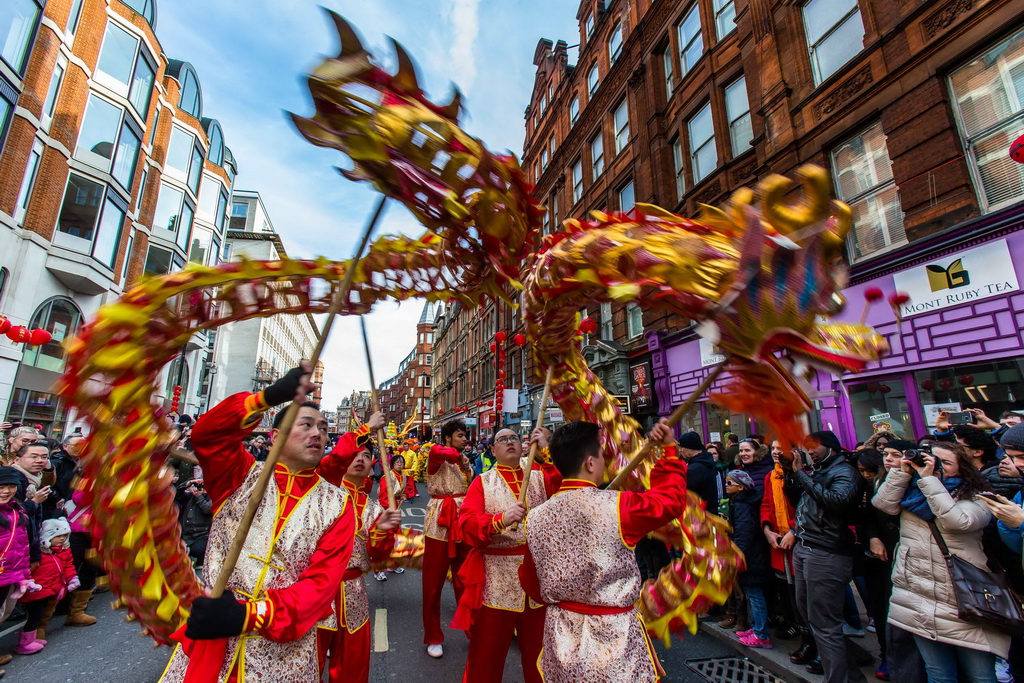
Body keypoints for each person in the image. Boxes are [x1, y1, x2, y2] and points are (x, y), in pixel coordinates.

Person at [159, 363, 356, 683]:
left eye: (322, 427)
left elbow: (320, 587)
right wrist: (267, 397)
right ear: (275, 436)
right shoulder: (239, 475)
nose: (317, 433)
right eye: (306, 424)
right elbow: (207, 434)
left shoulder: (338, 505)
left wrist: (249, 615)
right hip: (214, 646)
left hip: (284, 657)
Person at [518, 420, 688, 683]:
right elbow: (670, 501)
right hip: (612, 637)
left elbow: (530, 582)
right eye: (601, 456)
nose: (605, 462)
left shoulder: (536, 517)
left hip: (561, 633)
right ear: (589, 463)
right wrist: (668, 451)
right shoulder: (618, 506)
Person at [873, 440, 1007, 682]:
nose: (937, 466)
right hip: (920, 593)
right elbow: (882, 504)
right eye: (933, 460)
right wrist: (902, 473)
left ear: (963, 467)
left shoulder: (977, 496)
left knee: (981, 676)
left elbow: (959, 521)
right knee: (938, 674)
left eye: (945, 462)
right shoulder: (911, 492)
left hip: (963, 596)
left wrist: (929, 480)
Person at [454, 427, 561, 683]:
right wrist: (500, 520)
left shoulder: (539, 475)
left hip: (537, 578)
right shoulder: (483, 482)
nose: (509, 442)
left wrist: (546, 451)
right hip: (496, 579)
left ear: (524, 445)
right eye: (502, 440)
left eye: (514, 438)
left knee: (541, 655)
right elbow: (466, 524)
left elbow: (566, 491)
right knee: (487, 654)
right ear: (493, 450)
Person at [316, 435, 401, 683]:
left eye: (365, 456)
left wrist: (383, 530)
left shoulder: (374, 509)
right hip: (318, 589)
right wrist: (367, 428)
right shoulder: (323, 491)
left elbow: (379, 555)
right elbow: (330, 463)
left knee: (351, 664)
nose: (360, 459)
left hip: (354, 591)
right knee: (308, 660)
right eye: (355, 454)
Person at [784, 431, 864, 682]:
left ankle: (838, 678)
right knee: (809, 615)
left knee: (825, 622)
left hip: (826, 550)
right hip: (805, 547)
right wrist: (792, 473)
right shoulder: (817, 471)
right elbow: (798, 500)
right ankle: (851, 676)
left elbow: (837, 502)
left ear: (831, 447)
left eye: (814, 447)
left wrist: (802, 475)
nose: (810, 452)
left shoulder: (845, 472)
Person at [422, 418, 473, 658]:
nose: (465, 440)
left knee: (466, 580)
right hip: (439, 524)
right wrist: (458, 456)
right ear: (448, 438)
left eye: (465, 436)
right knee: (432, 585)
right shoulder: (436, 454)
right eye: (460, 435)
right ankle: (433, 636)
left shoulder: (467, 462)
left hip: (462, 522)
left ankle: (473, 630)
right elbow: (441, 452)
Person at [760, 441, 803, 645]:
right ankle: (792, 623)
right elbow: (767, 503)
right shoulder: (771, 476)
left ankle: (806, 633)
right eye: (773, 449)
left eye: (780, 448)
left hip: (798, 540)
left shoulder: (802, 475)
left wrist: (793, 530)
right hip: (778, 541)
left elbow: (807, 507)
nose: (776, 452)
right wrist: (768, 530)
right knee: (784, 589)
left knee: (801, 592)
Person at [726, 469, 773, 649]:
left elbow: (744, 532)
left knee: (754, 594)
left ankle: (761, 634)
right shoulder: (742, 502)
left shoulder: (742, 505)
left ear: (740, 486)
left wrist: (736, 554)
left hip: (751, 556)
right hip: (752, 554)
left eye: (730, 483)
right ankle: (756, 629)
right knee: (751, 593)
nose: (726, 485)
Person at [18, 518, 78, 655]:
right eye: (58, 536)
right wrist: (29, 581)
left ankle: (31, 639)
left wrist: (72, 578)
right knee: (35, 615)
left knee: (40, 614)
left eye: (65, 536)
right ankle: (25, 643)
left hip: (50, 589)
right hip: (36, 590)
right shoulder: (39, 554)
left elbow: (68, 566)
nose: (62, 539)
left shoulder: (63, 551)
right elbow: (27, 568)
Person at [0, 466, 36, 676]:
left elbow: (22, 546)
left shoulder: (17, 511)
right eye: (1, 487)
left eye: (10, 486)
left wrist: (23, 575)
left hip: (8, 575)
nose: (6, 491)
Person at [677, 431, 722, 512]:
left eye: (681, 447)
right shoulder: (706, 462)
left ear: (690, 448)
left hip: (699, 516)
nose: (680, 450)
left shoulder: (695, 469)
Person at [179, 478, 213, 568]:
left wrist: (199, 496)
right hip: (186, 533)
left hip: (201, 535)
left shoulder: (213, 497)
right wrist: (189, 483)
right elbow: (177, 493)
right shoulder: (191, 496)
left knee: (198, 549)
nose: (202, 489)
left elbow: (208, 509)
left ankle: (200, 561)